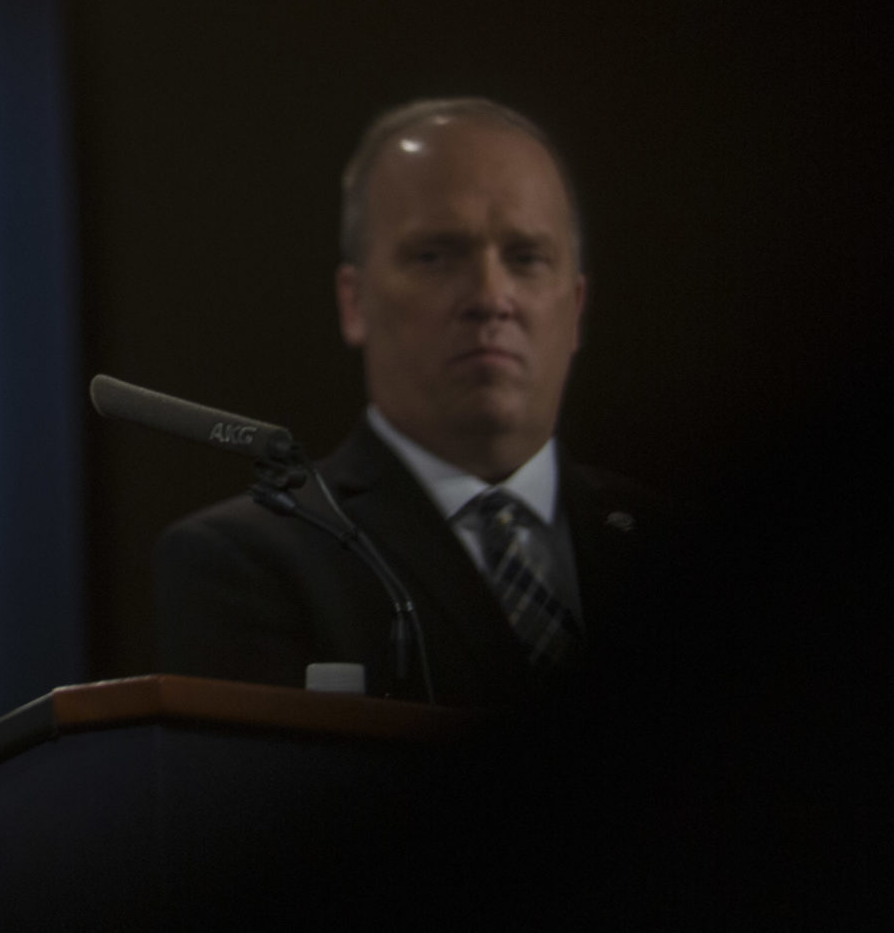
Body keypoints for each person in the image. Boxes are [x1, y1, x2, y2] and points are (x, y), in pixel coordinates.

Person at [154, 98, 647, 708]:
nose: (492, 298)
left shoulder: (678, 550)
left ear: (575, 308)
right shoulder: (250, 566)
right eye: (436, 256)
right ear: (354, 301)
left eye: (525, 258)